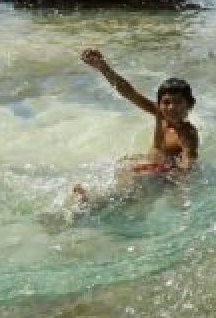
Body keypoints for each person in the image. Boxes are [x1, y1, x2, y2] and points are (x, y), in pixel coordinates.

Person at [72, 48, 199, 204]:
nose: (172, 107)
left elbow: (188, 162)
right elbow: (129, 93)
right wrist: (103, 67)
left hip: (162, 174)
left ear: (190, 105)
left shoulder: (187, 133)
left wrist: (181, 190)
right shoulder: (160, 114)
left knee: (129, 188)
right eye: (166, 102)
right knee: (119, 164)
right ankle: (95, 195)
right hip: (150, 162)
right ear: (159, 104)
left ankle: (93, 202)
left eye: (178, 102)